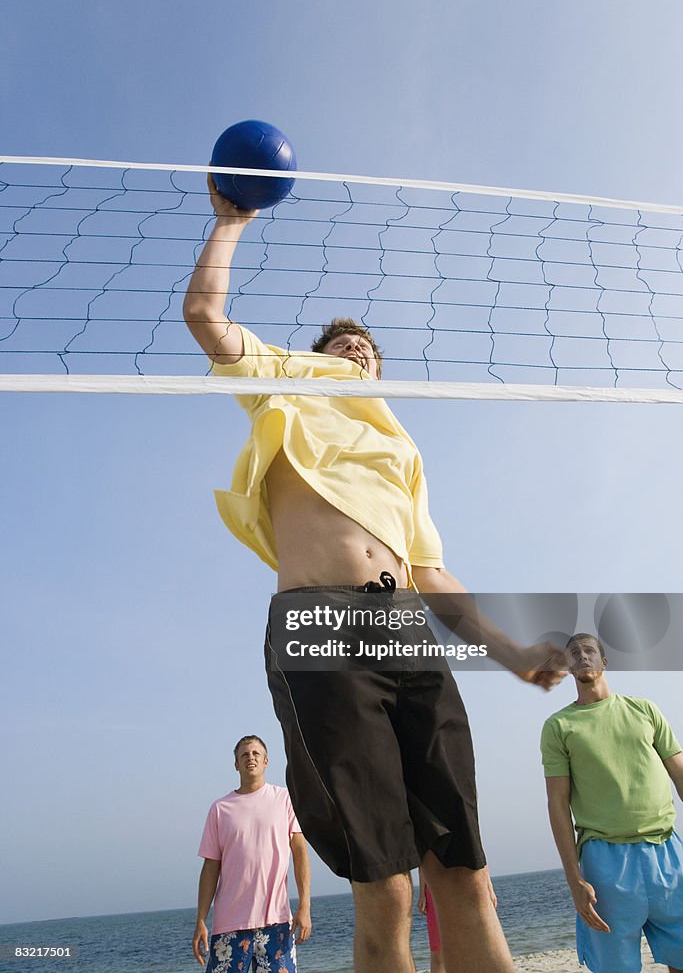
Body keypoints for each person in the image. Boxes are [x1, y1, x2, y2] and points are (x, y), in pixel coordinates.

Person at [183, 177, 565, 973]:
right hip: (317, 624)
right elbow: (205, 319)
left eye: (369, 347)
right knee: (384, 887)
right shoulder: (288, 384)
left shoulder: (400, 448)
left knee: (465, 874)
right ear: (320, 357)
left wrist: (511, 651)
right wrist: (230, 223)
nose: (357, 348)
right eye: (343, 343)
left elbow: (430, 570)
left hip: (401, 627)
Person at [541, 633, 683, 973]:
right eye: (573, 653)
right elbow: (558, 806)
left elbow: (680, 774)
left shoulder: (644, 709)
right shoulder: (559, 726)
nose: (581, 656)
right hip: (605, 864)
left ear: (605, 661)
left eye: (589, 650)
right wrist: (574, 880)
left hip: (666, 851)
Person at [192, 735, 312, 972]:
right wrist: (201, 921)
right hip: (229, 925)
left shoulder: (284, 799)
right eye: (244, 755)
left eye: (256, 753)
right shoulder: (220, 809)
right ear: (236, 764)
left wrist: (304, 907)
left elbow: (300, 853)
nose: (250, 758)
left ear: (266, 761)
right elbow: (210, 868)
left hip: (276, 923)